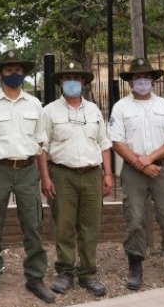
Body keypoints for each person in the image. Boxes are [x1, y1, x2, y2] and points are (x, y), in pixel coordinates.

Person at [0, 50, 55, 305]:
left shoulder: (34, 104)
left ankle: (35, 278)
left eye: (18, 70)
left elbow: (40, 141)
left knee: (33, 224)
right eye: (8, 70)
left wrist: (41, 174)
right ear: (0, 73)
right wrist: (1, 160)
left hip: (28, 171)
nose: (14, 74)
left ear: (24, 72)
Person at [108, 58, 164, 289]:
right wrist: (141, 164)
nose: (142, 80)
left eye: (146, 76)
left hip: (163, 169)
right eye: (137, 77)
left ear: (153, 79)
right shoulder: (121, 107)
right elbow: (117, 142)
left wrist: (151, 159)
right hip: (134, 170)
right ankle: (135, 264)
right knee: (134, 219)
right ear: (130, 81)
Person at [38, 60, 113, 298]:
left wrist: (108, 174)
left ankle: (88, 273)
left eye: (77, 78)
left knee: (91, 227)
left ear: (83, 82)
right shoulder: (49, 111)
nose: (72, 82)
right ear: (61, 82)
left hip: (92, 174)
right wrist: (45, 177)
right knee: (64, 225)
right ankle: (65, 271)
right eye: (67, 78)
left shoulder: (93, 110)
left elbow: (104, 143)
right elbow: (42, 148)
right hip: (62, 175)